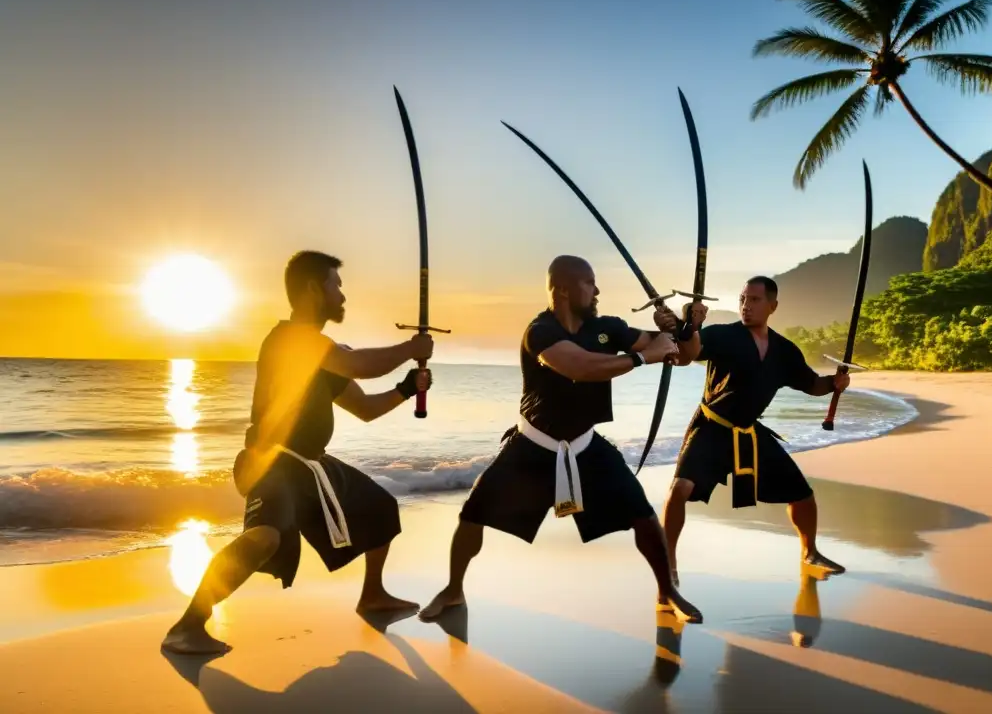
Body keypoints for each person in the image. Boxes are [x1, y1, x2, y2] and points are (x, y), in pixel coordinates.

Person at [162, 250, 435, 654]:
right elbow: (358, 364)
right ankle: (187, 626)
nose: (342, 295)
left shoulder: (322, 355)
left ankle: (373, 595)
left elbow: (366, 409)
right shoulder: (290, 339)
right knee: (264, 539)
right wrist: (412, 347)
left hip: (311, 466)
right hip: (271, 462)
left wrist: (406, 389)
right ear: (312, 289)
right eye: (335, 285)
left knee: (380, 508)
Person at [419, 255, 703, 623]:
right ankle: (453, 590)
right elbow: (579, 367)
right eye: (589, 282)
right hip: (533, 443)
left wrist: (684, 328)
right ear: (563, 290)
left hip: (586, 444)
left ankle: (667, 592)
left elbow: (682, 355)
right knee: (474, 513)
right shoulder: (540, 330)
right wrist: (643, 357)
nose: (597, 289)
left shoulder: (608, 327)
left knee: (644, 515)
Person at [653, 276, 850, 601]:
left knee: (802, 495)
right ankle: (668, 567)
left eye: (755, 300)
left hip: (749, 432)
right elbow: (689, 354)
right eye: (743, 299)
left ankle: (810, 553)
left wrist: (835, 383)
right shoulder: (723, 334)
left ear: (772, 306)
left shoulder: (784, 351)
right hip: (711, 427)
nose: (747, 305)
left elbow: (813, 385)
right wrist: (689, 327)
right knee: (679, 491)